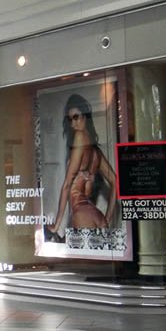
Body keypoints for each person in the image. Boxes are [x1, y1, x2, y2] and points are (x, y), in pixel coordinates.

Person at [46, 93, 117, 240]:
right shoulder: (96, 151)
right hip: (96, 215)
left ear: (85, 117)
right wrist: (107, 219)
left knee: (81, 255)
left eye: (76, 117)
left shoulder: (79, 138)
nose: (73, 124)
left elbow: (67, 184)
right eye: (70, 119)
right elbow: (115, 181)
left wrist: (56, 225)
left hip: (81, 213)